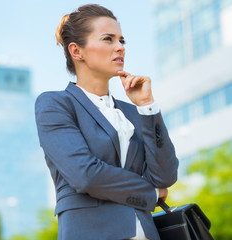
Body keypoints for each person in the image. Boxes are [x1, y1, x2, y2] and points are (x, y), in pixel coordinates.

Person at [35, 4, 179, 240]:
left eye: (122, 41)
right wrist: (151, 193)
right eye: (108, 39)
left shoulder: (132, 113)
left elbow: (165, 177)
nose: (119, 47)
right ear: (76, 51)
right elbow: (85, 175)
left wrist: (147, 106)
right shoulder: (55, 104)